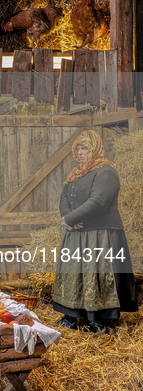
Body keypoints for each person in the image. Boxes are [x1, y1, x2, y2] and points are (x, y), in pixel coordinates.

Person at [54, 130, 137, 333]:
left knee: (98, 276)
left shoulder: (106, 171)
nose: (81, 153)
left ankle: (97, 320)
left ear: (96, 148)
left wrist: (73, 219)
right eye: (78, 149)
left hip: (99, 235)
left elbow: (98, 202)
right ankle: (73, 316)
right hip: (77, 234)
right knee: (75, 275)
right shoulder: (77, 172)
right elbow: (64, 197)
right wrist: (68, 220)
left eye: (85, 148)